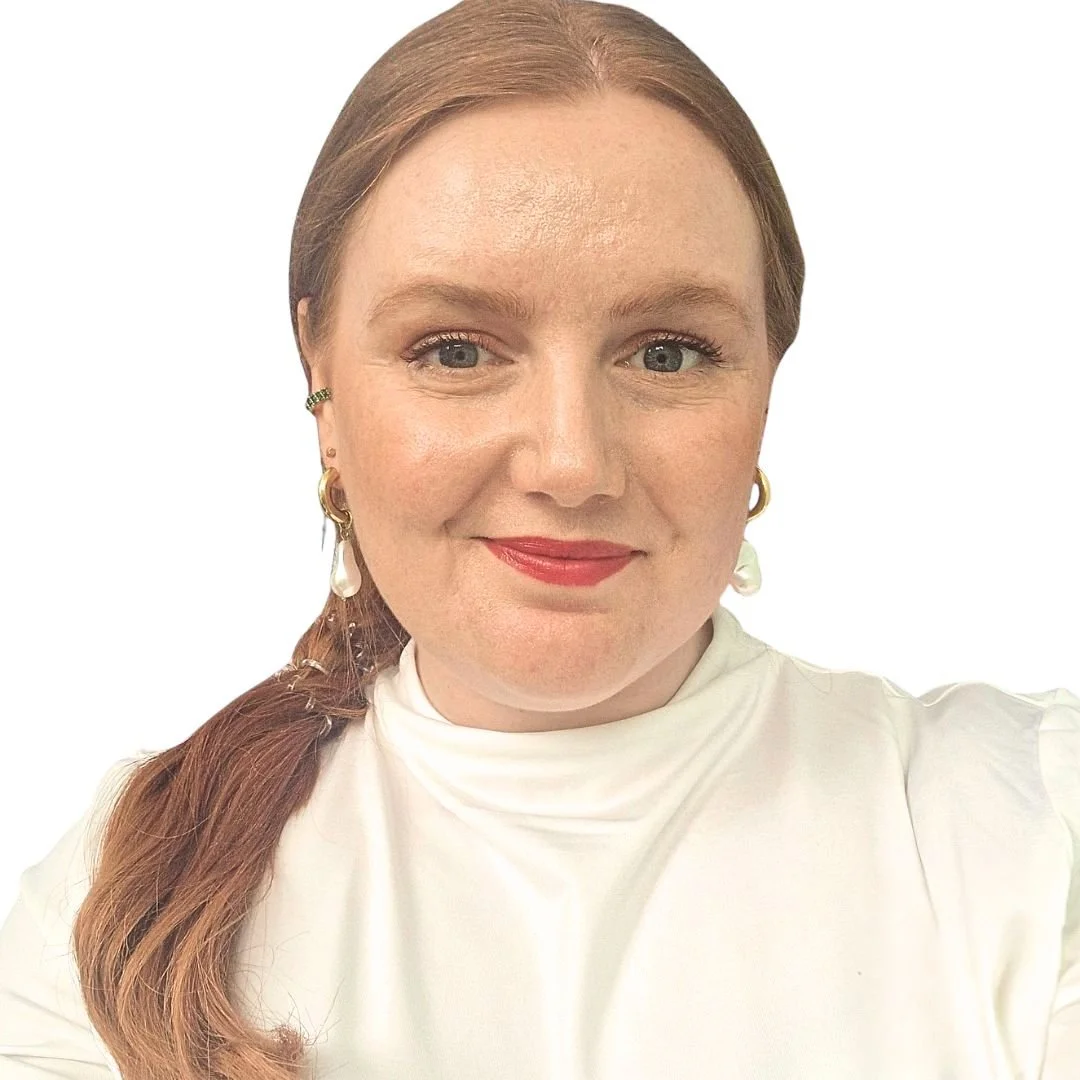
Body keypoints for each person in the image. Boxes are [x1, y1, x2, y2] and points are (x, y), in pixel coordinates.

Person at [0, 0, 1076, 1076]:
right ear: (321, 381)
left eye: (667, 354)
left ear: (766, 386)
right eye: (457, 349)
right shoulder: (125, 891)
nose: (571, 463)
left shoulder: (1034, 832)